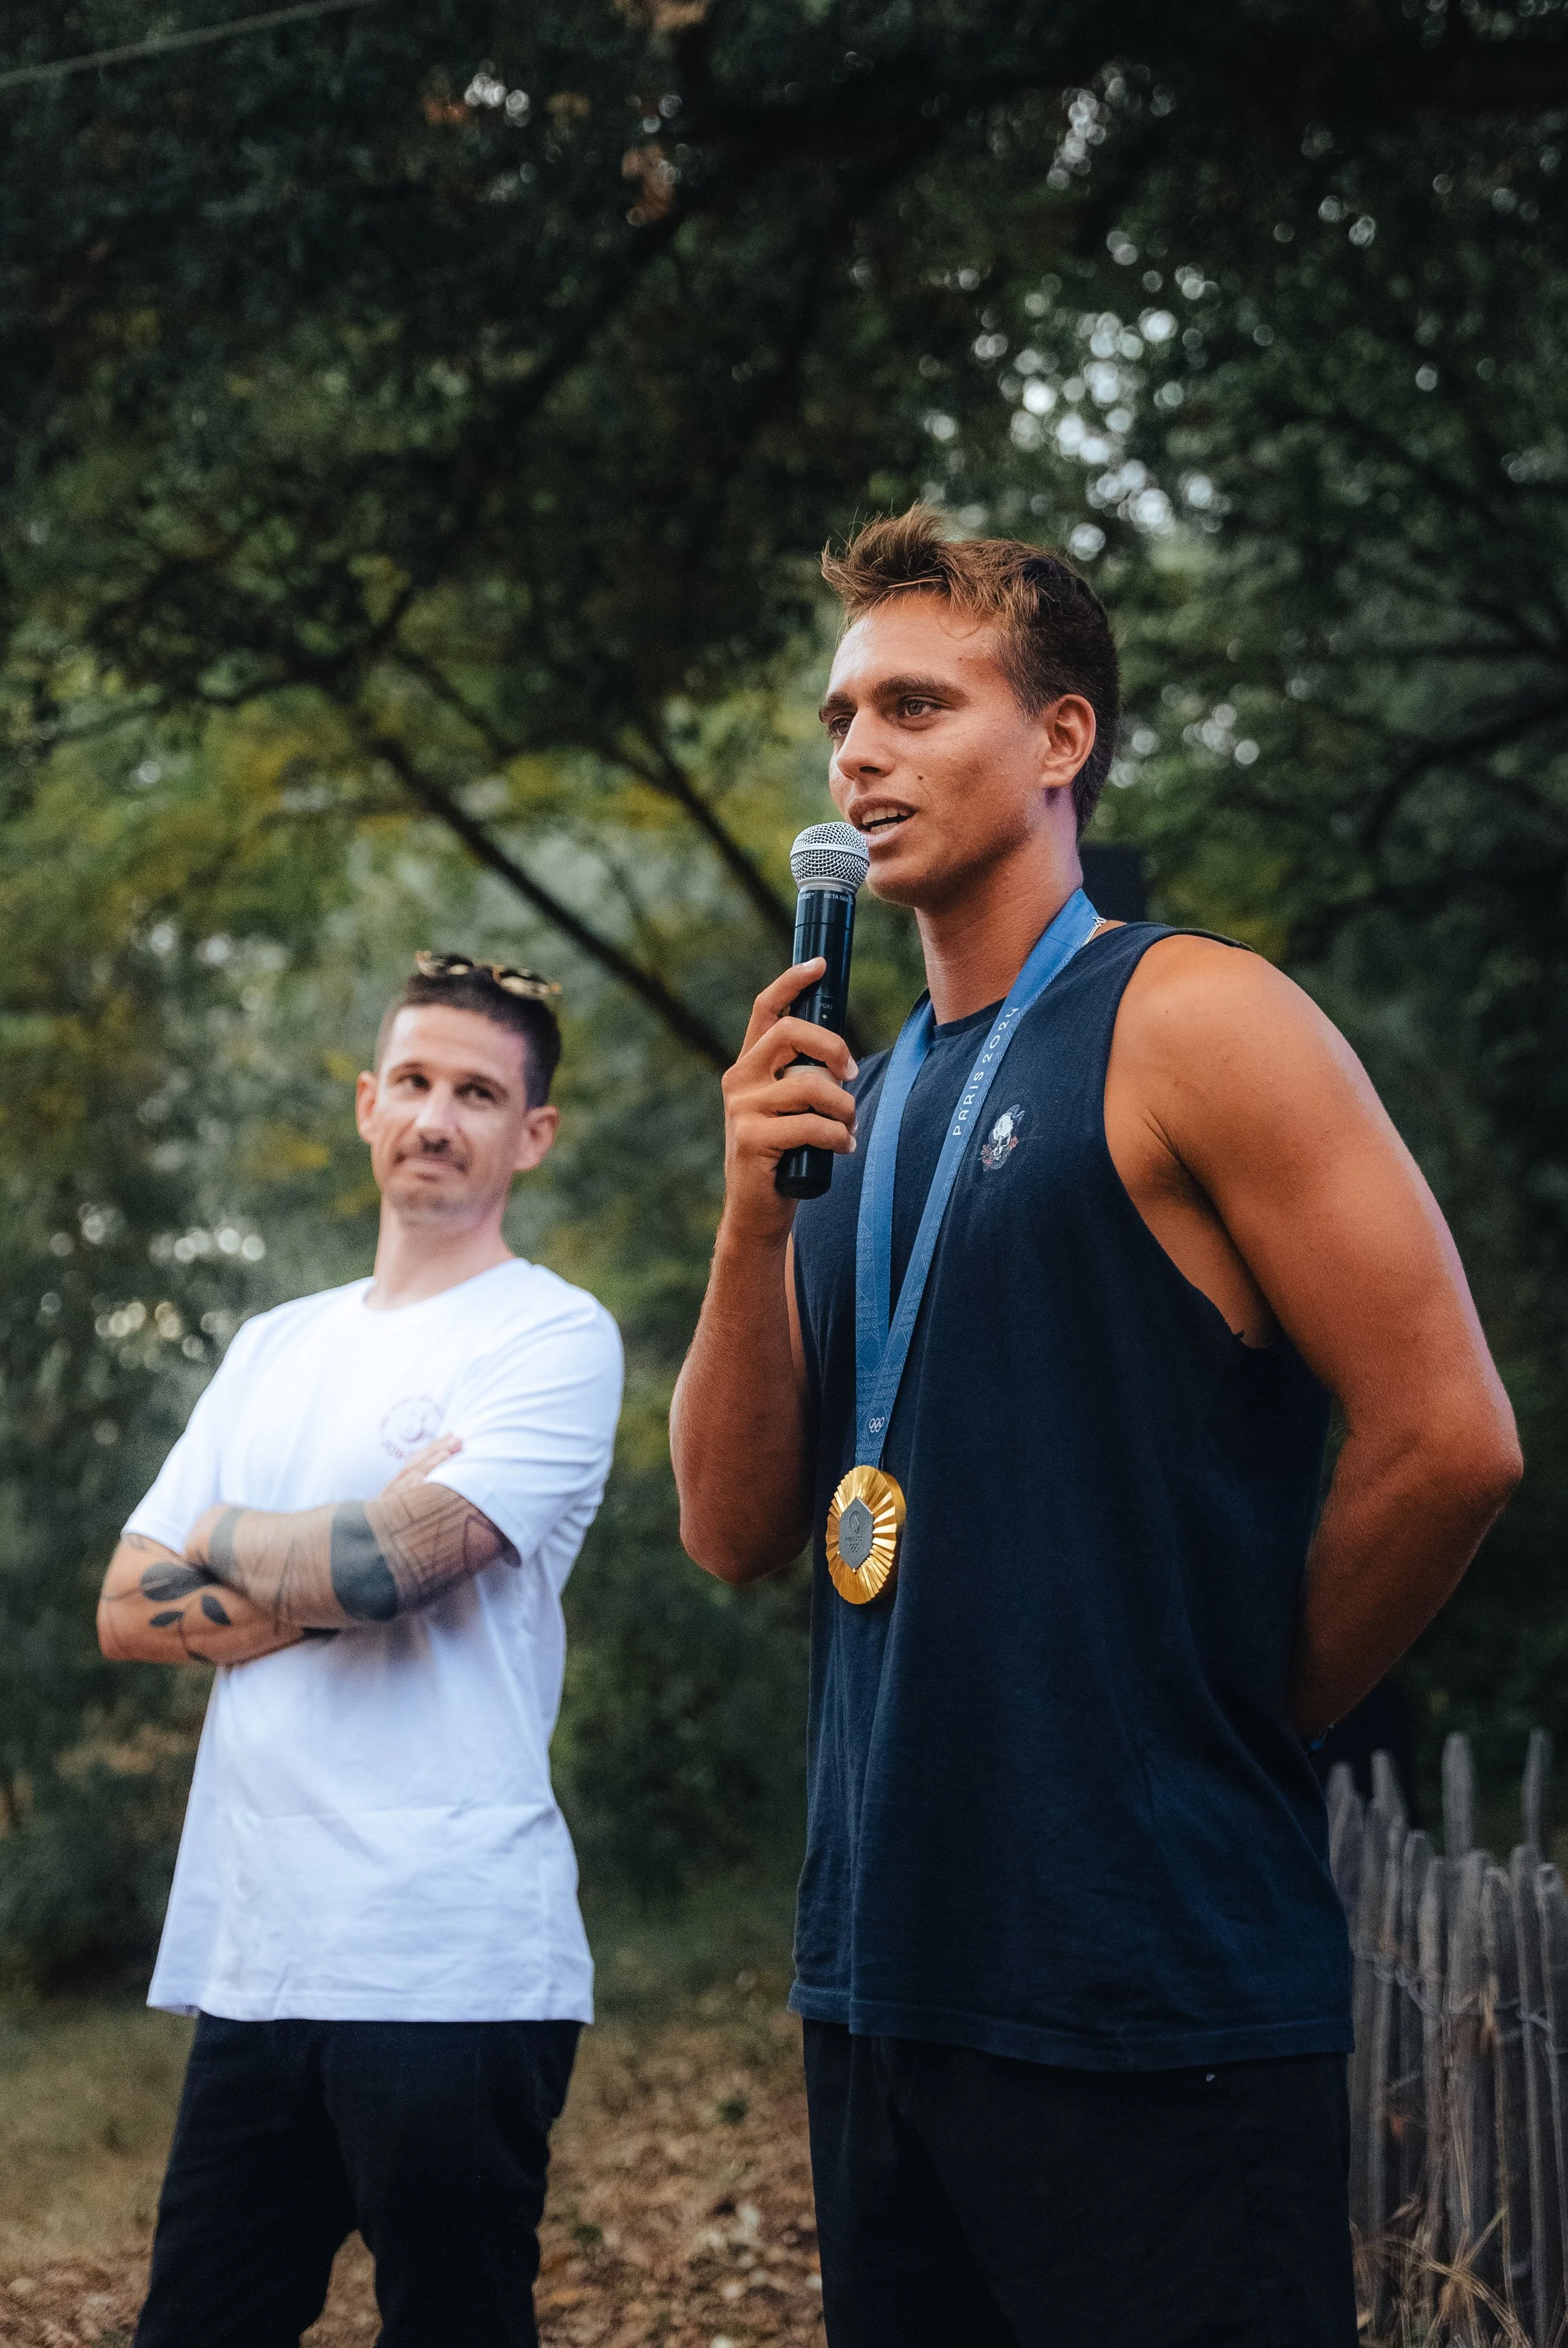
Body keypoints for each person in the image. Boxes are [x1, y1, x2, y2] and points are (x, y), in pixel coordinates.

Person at [669, 508, 1522, 2347]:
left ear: (1058, 740)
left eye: (913, 702)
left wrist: (1228, 1702)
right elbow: (733, 1524)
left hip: (1148, 1989)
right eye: (838, 720)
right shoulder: (858, 1097)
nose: (856, 754)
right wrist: (749, 1214)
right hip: (882, 1984)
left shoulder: (1193, 1016)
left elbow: (1449, 1437)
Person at [98, 952, 623, 2348]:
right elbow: (123, 1605)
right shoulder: (274, 1345)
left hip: (449, 1961)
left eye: (477, 1090)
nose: (437, 1116)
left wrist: (221, 1533)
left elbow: (391, 1570)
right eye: (414, 1081)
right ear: (365, 1100)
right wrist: (337, 1555)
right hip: (257, 1954)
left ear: (533, 1131)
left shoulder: (553, 1334)